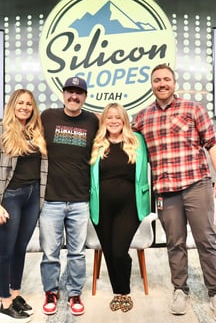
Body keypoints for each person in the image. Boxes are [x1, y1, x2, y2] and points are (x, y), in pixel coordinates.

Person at [132, 63, 216, 323]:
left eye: (166, 79)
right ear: (151, 85)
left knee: (205, 241)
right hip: (165, 191)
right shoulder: (142, 117)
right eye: (156, 80)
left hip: (196, 184)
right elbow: (122, 137)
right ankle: (180, 290)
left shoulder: (193, 109)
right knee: (174, 243)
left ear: (173, 83)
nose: (161, 84)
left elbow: (213, 143)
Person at [39, 76, 99, 316]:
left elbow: (117, 128)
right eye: (70, 91)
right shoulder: (47, 116)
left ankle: (75, 293)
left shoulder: (93, 120)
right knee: (50, 253)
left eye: (79, 92)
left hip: (79, 200)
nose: (74, 96)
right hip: (51, 199)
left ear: (85, 97)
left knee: (77, 252)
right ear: (63, 93)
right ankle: (51, 291)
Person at [0, 89, 47, 320]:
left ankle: (15, 294)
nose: (24, 107)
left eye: (29, 104)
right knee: (5, 250)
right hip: (10, 196)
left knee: (20, 248)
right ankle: (4, 302)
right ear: (12, 105)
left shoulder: (36, 131)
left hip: (32, 196)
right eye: (20, 103)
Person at [89, 103, 151, 313]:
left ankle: (124, 290)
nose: (114, 121)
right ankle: (118, 293)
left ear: (125, 120)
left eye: (118, 117)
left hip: (130, 206)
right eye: (109, 117)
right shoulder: (96, 144)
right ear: (103, 120)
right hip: (101, 207)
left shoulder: (138, 141)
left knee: (118, 251)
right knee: (108, 250)